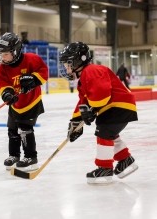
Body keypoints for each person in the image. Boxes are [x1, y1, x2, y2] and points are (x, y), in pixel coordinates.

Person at [58, 41, 138, 184]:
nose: (67, 69)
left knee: (103, 133)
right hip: (117, 107)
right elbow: (83, 101)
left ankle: (105, 168)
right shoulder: (83, 79)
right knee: (110, 134)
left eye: (68, 64)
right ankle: (126, 161)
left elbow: (101, 94)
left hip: (118, 106)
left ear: (79, 61)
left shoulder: (92, 70)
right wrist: (75, 122)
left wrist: (92, 109)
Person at [0, 32, 48, 171]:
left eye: (5, 54)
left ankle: (31, 157)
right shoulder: (2, 68)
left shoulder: (32, 59)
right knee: (12, 130)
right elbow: (2, 82)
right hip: (15, 104)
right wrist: (7, 94)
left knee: (25, 130)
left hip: (31, 102)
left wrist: (33, 80)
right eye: (0, 54)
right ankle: (14, 155)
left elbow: (43, 71)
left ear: (16, 51)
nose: (2, 57)